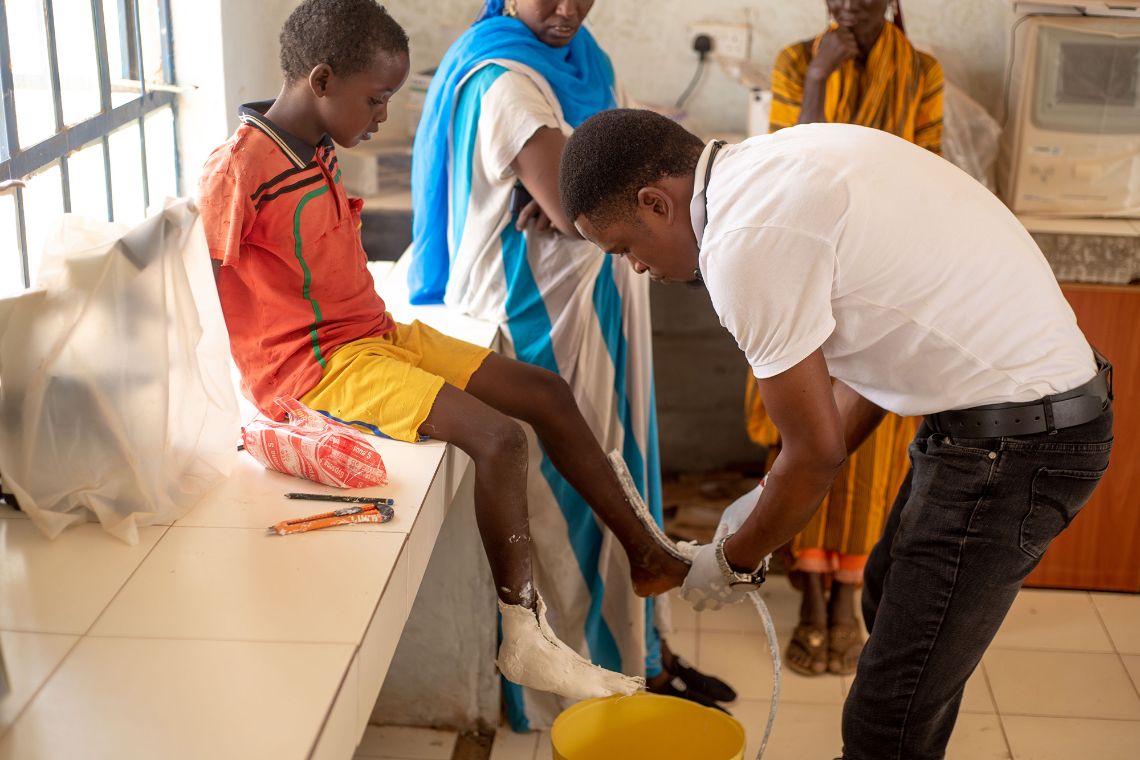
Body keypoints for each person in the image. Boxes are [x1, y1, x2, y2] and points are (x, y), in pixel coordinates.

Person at [558, 108, 1113, 759]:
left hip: (1019, 446)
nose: (638, 269)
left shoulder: (743, 244)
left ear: (656, 203)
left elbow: (816, 455)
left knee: (887, 715)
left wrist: (731, 563)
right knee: (889, 603)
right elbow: (871, 368)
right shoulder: (778, 161)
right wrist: (768, 493)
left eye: (625, 248)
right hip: (998, 423)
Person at [196, 0, 690, 703]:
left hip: (376, 335)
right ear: (322, 80)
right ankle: (525, 636)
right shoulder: (240, 168)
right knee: (498, 440)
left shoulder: (314, 148)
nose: (385, 117)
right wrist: (240, 405)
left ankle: (645, 554)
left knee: (546, 395)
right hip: (315, 369)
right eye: (377, 99)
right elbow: (198, 291)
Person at [408, 0, 734, 724]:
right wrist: (576, 183)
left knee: (626, 466)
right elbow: (570, 204)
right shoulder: (504, 79)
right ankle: (579, 679)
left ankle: (645, 657)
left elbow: (586, 190)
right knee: (571, 504)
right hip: (543, 319)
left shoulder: (585, 58)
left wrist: (576, 175)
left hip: (601, 300)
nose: (565, 8)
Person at [748, 0, 944, 677]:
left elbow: (925, 177)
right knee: (806, 433)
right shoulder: (796, 62)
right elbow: (782, 166)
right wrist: (815, 85)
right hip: (807, 277)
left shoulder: (922, 71)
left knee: (872, 449)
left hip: (883, 276)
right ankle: (807, 601)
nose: (850, 7)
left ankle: (848, 604)